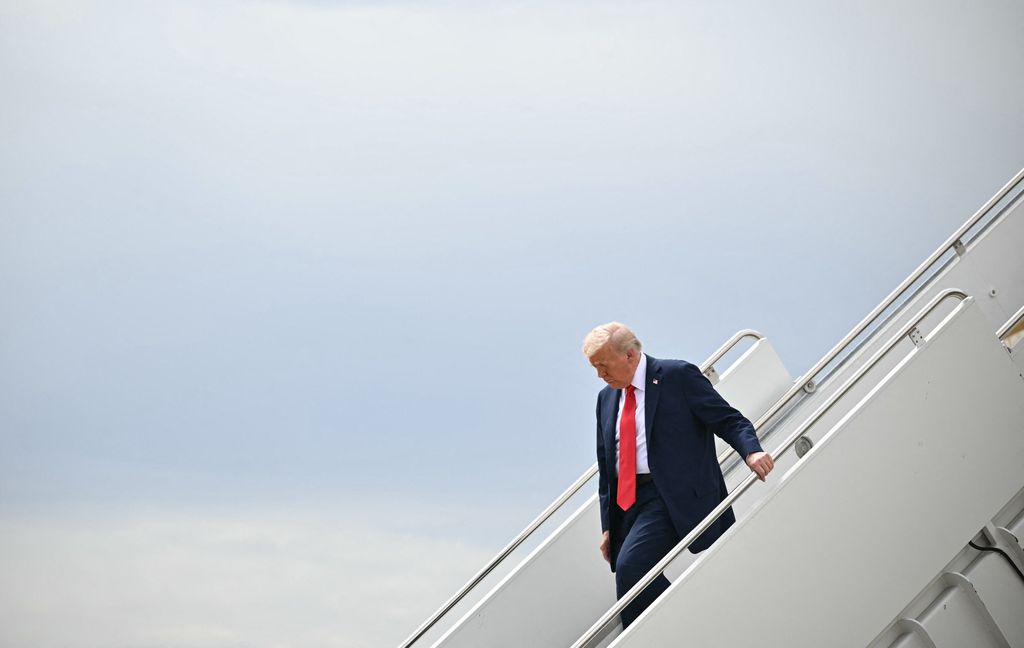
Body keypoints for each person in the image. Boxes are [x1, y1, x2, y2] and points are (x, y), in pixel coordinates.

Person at [583, 321, 774, 628]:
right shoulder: (606, 398)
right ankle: (683, 627)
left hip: (671, 494)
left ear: (630, 356)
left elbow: (728, 420)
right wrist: (609, 524)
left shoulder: (677, 376)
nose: (600, 375)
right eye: (595, 368)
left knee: (632, 567)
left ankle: (677, 631)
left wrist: (751, 451)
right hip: (630, 502)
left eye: (603, 366)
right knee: (627, 570)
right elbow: (608, 464)